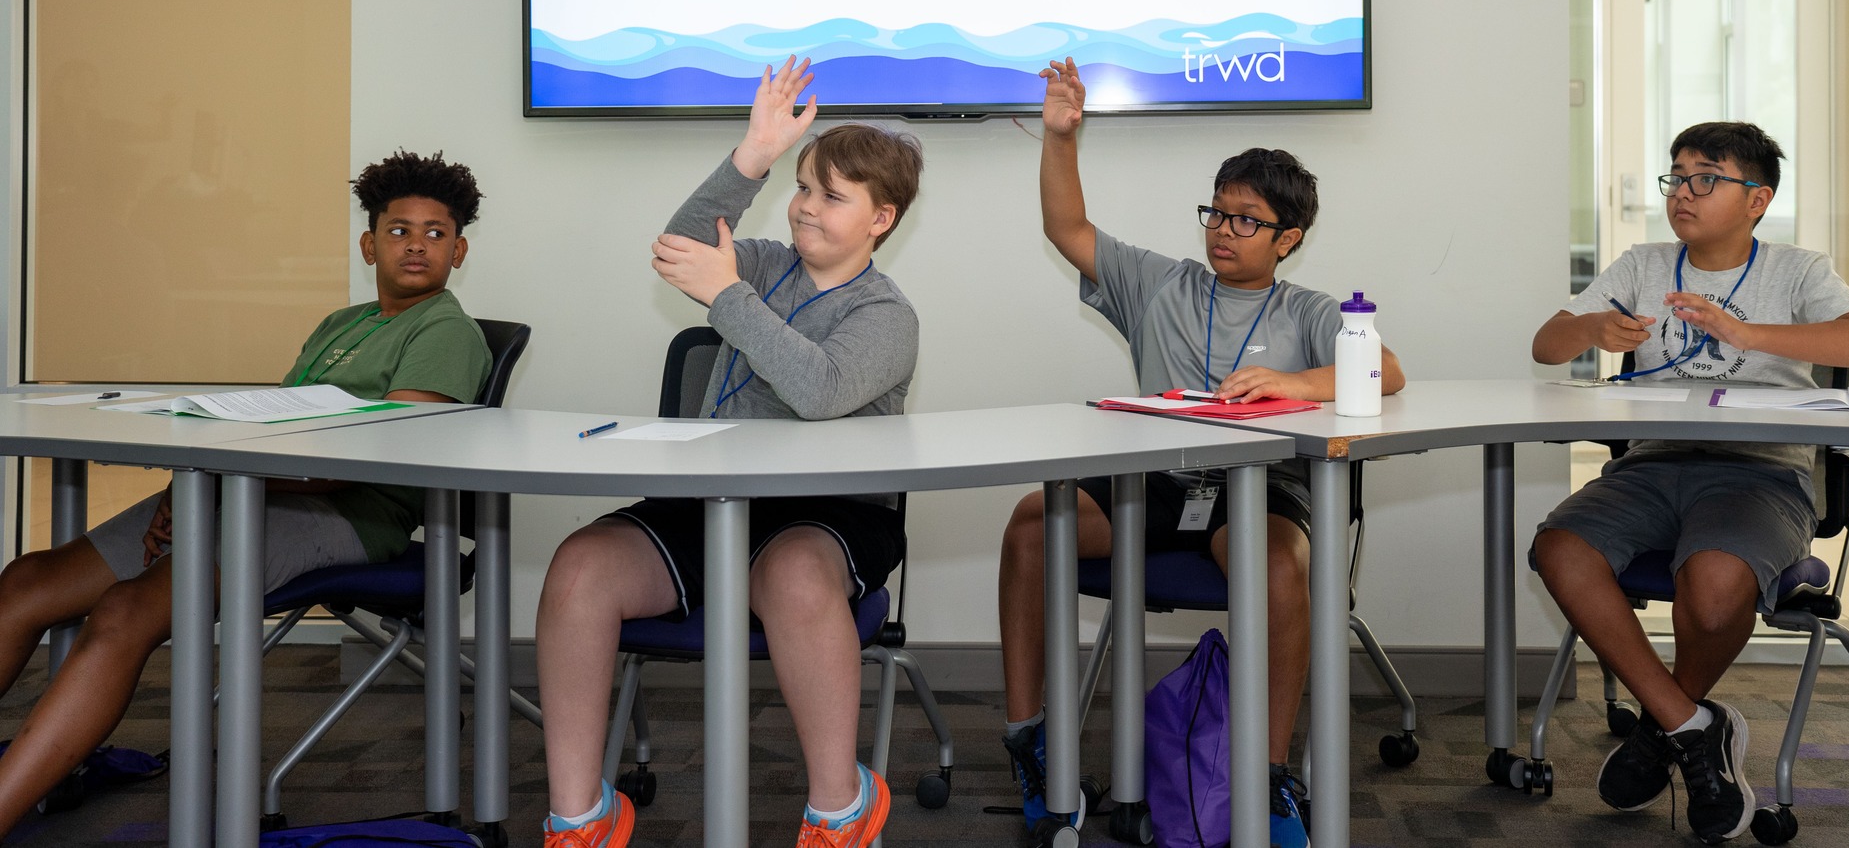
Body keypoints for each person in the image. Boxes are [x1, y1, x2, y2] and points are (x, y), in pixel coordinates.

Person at [0, 149, 491, 836]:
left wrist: (213, 476)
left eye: (435, 233)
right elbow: (274, 426)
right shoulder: (340, 324)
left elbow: (369, 456)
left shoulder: (446, 330)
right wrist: (188, 483)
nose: (416, 245)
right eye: (399, 229)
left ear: (459, 249)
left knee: (126, 609)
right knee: (26, 579)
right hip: (253, 489)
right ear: (368, 242)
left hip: (343, 512)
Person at [995, 57, 1405, 848]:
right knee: (1026, 524)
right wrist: (1058, 138)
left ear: (1288, 237)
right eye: (1216, 213)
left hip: (1254, 487)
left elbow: (1383, 372)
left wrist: (1289, 381)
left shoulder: (1313, 310)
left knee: (1283, 562)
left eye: (1246, 219)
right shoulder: (1160, 284)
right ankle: (1032, 742)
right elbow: (1066, 228)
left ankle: (1272, 775)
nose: (1223, 230)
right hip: (1149, 484)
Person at [535, 57, 923, 848]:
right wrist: (754, 152)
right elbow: (682, 245)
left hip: (829, 513)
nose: (806, 207)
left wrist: (725, 294)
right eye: (804, 187)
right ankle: (579, 817)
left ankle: (838, 809)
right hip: (713, 501)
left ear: (881, 218)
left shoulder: (887, 315)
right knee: (579, 565)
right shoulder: (771, 264)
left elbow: (817, 390)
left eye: (831, 196)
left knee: (788, 571)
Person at [1528, 121, 1849, 845]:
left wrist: (1748, 334)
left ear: (1757, 198)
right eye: (1676, 176)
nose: (1682, 193)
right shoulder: (1644, 262)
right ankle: (1693, 723)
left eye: (1705, 177)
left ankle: (1665, 726)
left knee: (1715, 583)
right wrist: (1594, 326)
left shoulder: (1798, 270)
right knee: (1559, 548)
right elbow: (1545, 345)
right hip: (1653, 463)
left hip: (1760, 471)